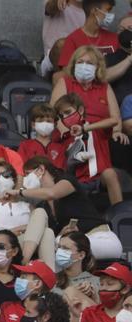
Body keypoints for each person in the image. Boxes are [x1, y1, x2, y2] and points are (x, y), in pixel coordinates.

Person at [52, 48, 127, 206]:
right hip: (71, 138)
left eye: (89, 63)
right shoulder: (65, 82)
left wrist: (118, 131)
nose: (84, 66)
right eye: (80, 62)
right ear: (73, 65)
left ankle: (120, 215)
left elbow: (115, 118)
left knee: (110, 174)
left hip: (99, 141)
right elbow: (54, 113)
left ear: (98, 67)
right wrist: (67, 131)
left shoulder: (104, 87)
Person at [56, 0, 119, 74]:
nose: (111, 15)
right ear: (95, 11)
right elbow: (67, 73)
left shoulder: (115, 38)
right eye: (108, 10)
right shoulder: (72, 40)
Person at [18, 103, 67, 170]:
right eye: (40, 121)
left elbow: (61, 170)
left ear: (55, 125)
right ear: (33, 124)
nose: (45, 124)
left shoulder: (60, 148)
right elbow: (22, 169)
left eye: (49, 121)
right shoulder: (25, 146)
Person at [43, 0, 86, 74]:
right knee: (62, 45)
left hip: (83, 60)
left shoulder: (95, 9)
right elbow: (49, 8)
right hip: (54, 60)